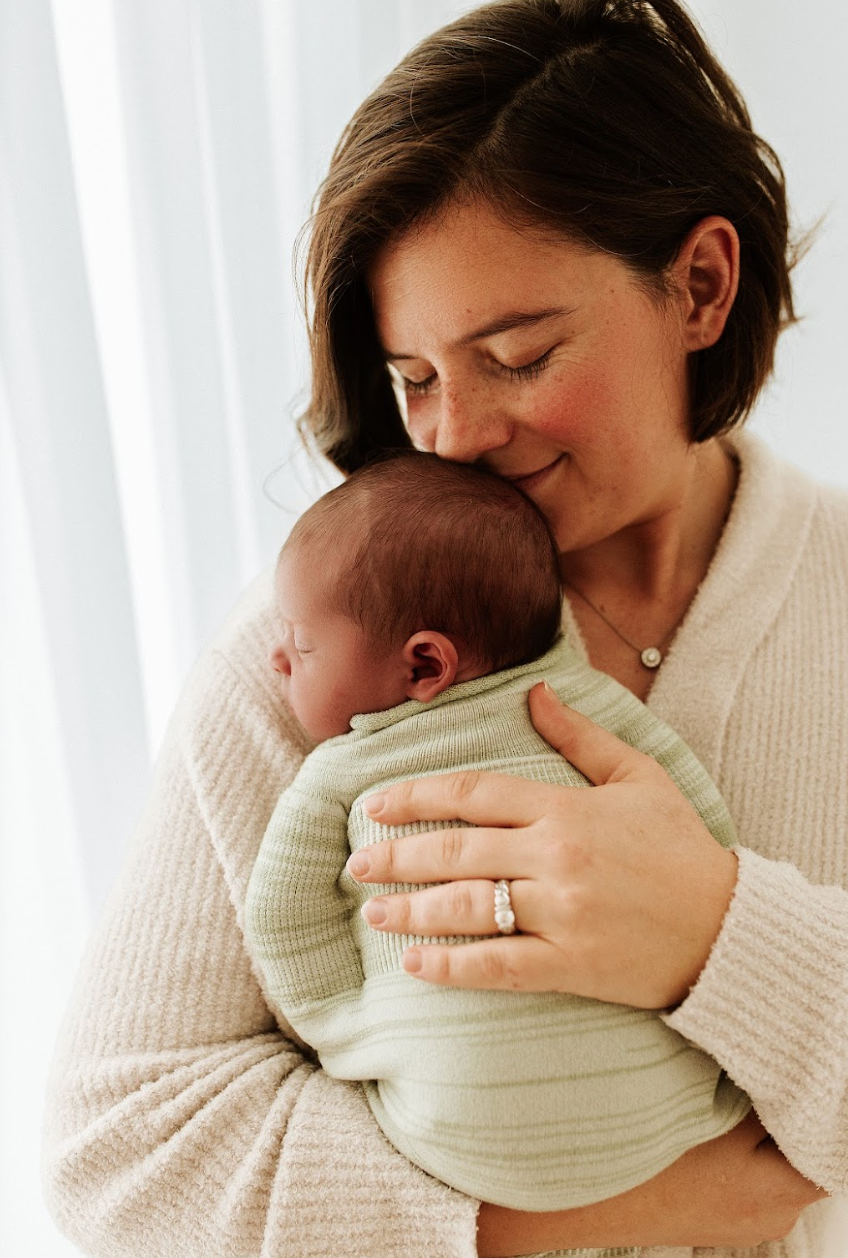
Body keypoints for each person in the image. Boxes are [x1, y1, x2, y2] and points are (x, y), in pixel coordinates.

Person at [42, 2, 848, 1257]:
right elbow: (120, 1155)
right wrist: (581, 1212)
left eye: (517, 354)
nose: (453, 435)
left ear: (698, 285)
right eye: (413, 378)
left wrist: (716, 931)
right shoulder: (327, 655)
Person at [244, 451, 747, 1221]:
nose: (273, 657)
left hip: (445, 1130)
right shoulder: (585, 704)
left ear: (424, 664)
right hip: (670, 1118)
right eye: (412, 375)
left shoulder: (343, 766)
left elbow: (283, 916)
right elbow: (697, 830)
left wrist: (348, 1025)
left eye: (301, 647)